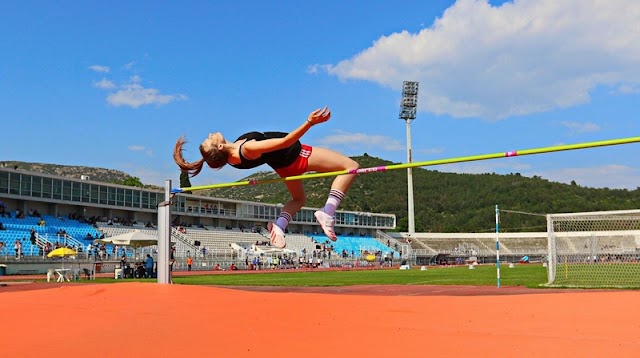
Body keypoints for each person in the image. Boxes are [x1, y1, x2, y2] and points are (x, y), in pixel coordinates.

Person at [173, 107, 359, 249]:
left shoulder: (231, 158)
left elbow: (214, 157)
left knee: (298, 199)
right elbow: (285, 142)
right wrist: (310, 122)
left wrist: (201, 158)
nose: (210, 135)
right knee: (350, 167)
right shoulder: (246, 149)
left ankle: (279, 226)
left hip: (283, 166)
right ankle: (327, 212)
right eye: (209, 139)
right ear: (219, 147)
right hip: (297, 154)